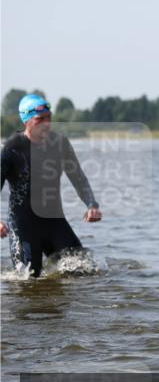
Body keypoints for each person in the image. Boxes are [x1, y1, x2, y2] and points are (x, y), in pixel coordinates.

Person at [0, 94, 102, 277]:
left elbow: (78, 178)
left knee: (85, 270)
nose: (46, 123)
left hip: (55, 222)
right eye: (40, 119)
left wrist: (92, 205)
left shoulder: (60, 144)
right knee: (29, 279)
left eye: (49, 118)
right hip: (24, 226)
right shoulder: (11, 149)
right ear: (26, 121)